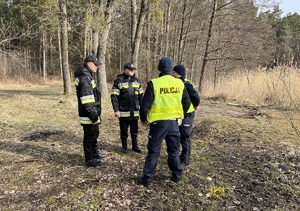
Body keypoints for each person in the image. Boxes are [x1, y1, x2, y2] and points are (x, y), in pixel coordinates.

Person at [138, 57, 191, 188]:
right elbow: (187, 103)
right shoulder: (179, 83)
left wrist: (144, 118)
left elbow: (144, 105)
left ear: (159, 68)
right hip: (174, 124)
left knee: (154, 151)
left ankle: (147, 179)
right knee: (173, 150)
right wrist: (181, 114)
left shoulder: (154, 83)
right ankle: (177, 175)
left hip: (158, 125)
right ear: (171, 69)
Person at [74, 55, 106, 167]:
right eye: (95, 64)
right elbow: (87, 100)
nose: (97, 66)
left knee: (94, 133)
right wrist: (93, 116)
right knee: (90, 136)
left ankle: (95, 153)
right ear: (89, 64)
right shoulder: (84, 77)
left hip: (92, 112)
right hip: (88, 114)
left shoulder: (88, 75)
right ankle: (89, 159)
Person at [111, 63, 144, 153]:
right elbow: (114, 97)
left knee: (134, 131)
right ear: (125, 70)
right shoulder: (118, 81)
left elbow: (141, 97)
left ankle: (135, 146)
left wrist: (143, 109)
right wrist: (116, 110)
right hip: (123, 112)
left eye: (133, 70)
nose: (132, 71)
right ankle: (124, 147)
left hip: (135, 112)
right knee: (124, 132)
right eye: (130, 70)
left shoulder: (137, 81)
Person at [172, 64, 200, 167]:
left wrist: (196, 105)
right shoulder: (176, 83)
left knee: (185, 136)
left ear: (178, 74)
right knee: (178, 135)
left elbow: (195, 96)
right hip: (179, 113)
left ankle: (185, 160)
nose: (172, 74)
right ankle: (179, 155)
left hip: (187, 114)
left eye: (174, 72)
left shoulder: (186, 84)